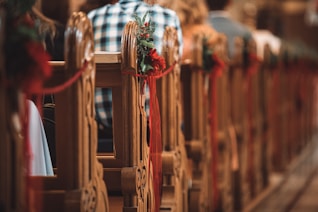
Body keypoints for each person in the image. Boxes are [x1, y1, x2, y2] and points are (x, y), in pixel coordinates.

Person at [87, 0, 183, 151]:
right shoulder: (168, 17)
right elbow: (176, 73)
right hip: (154, 132)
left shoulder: (91, 19)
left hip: (104, 132)